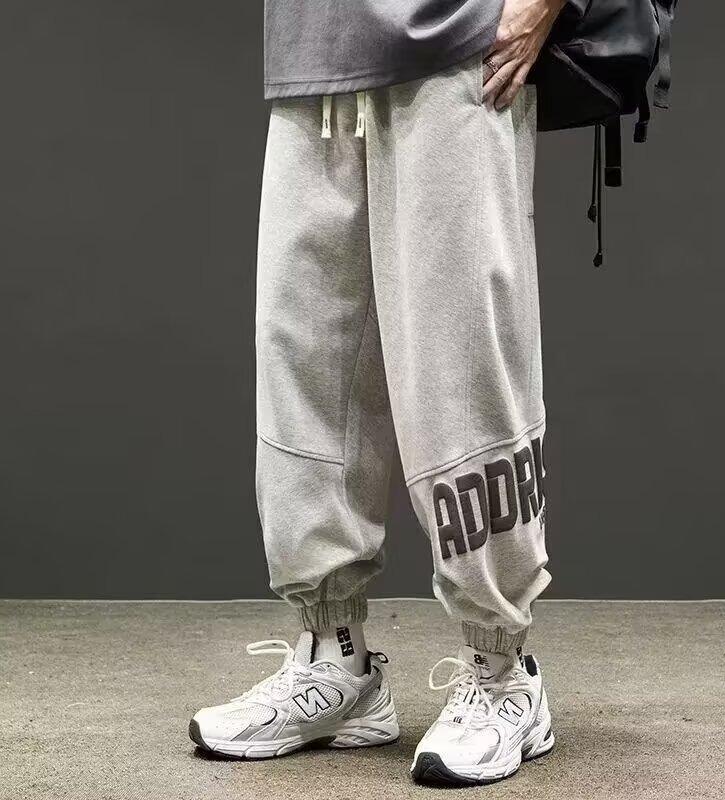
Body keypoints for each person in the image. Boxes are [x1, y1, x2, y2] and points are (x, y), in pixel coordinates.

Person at [189, 0, 566, 786]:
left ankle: (503, 672)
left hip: (458, 45)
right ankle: (335, 662)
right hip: (313, 52)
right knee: (307, 362)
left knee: (461, 362)